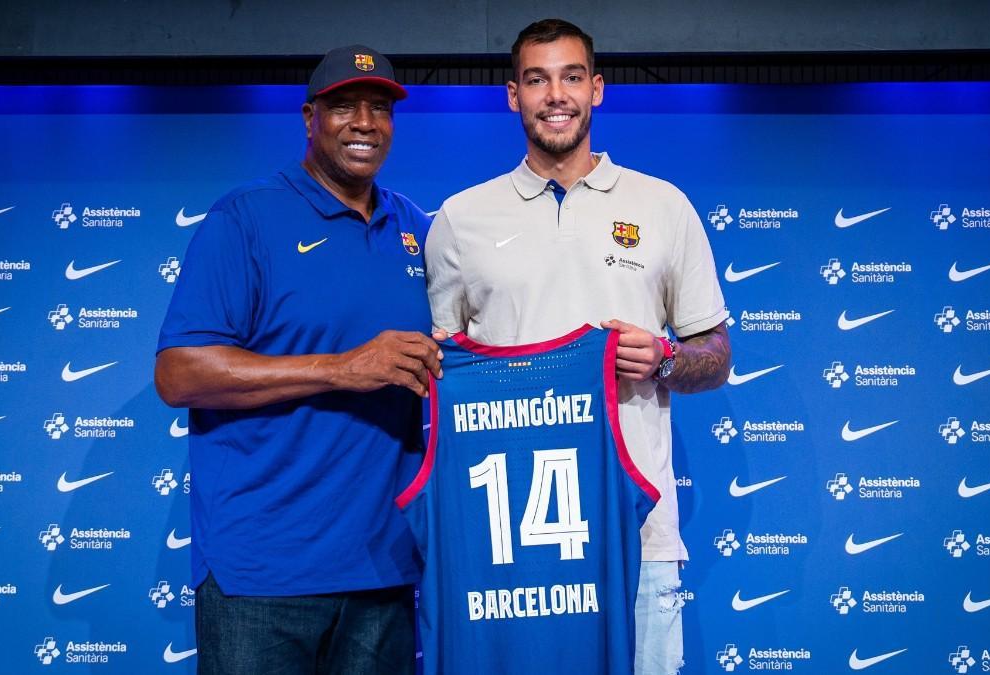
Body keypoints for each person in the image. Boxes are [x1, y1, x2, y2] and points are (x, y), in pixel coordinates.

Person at [424, 19, 732, 675]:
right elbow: (439, 362)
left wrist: (667, 358)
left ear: (597, 89)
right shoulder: (459, 220)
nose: (554, 95)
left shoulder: (664, 206)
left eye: (570, 77)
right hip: (505, 544)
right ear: (513, 95)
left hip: (637, 538)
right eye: (536, 79)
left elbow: (716, 354)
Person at [154, 44, 440, 675]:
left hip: (383, 570)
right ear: (310, 118)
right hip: (262, 575)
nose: (364, 122)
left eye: (380, 108)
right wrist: (341, 367)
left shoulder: (419, 230)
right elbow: (178, 373)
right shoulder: (246, 219)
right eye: (343, 107)